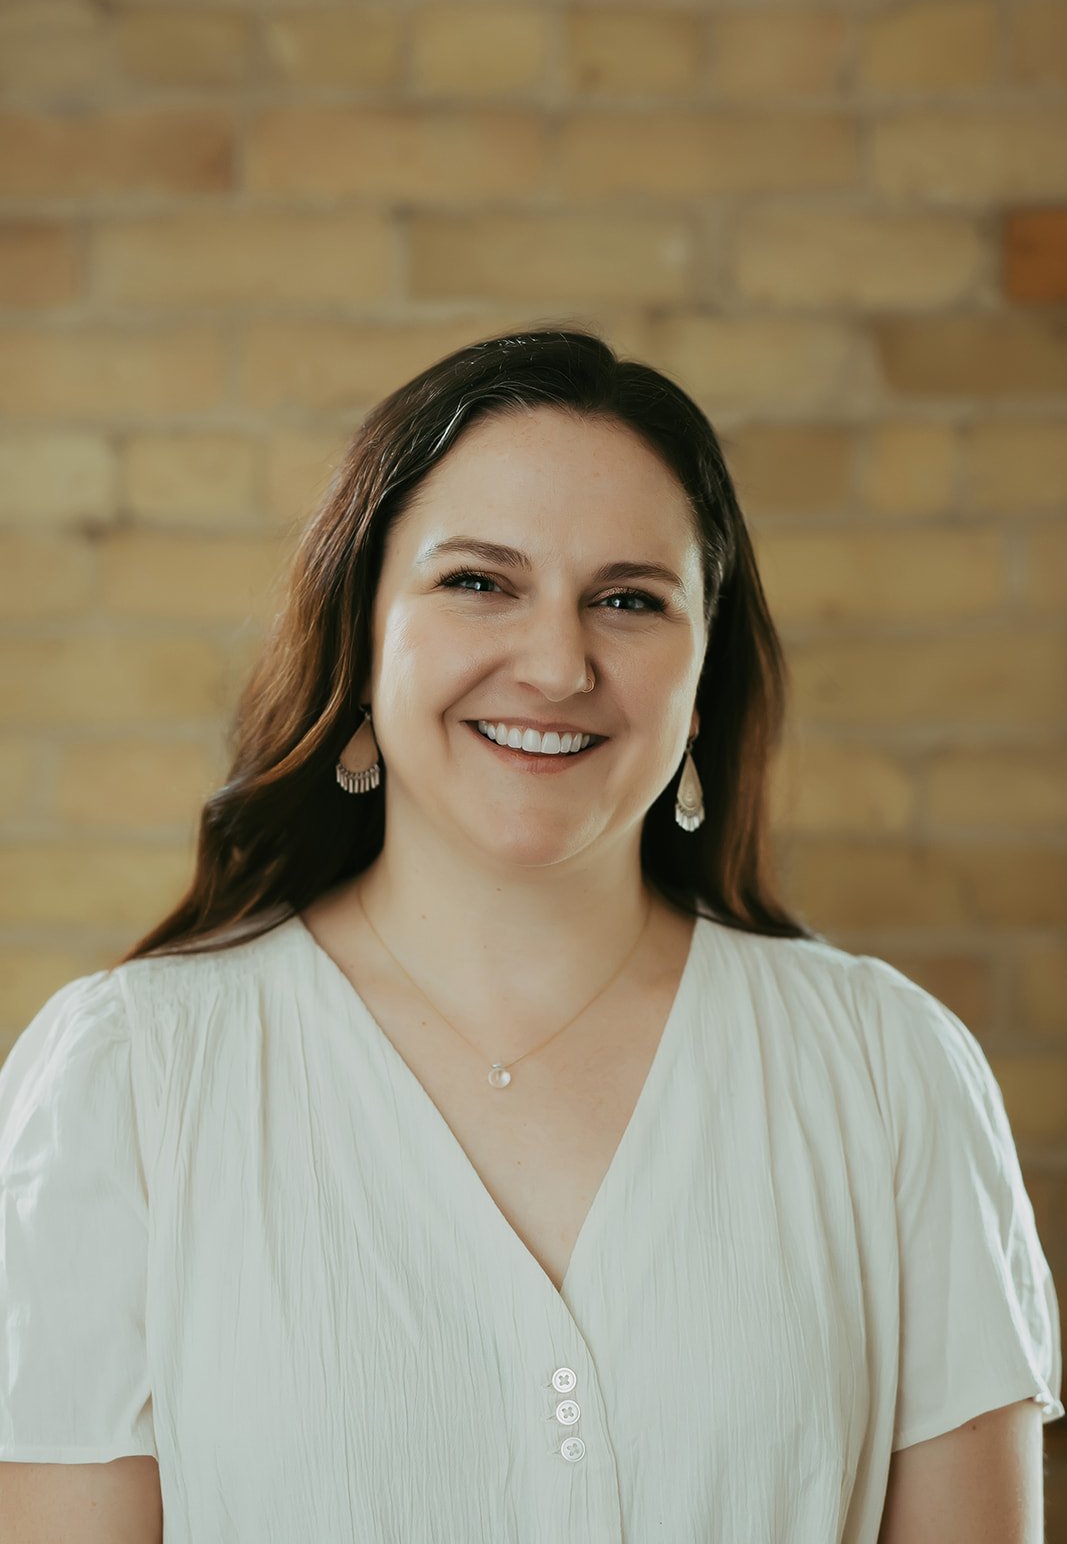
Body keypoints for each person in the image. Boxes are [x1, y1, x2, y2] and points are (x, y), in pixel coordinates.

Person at [0, 326, 1061, 1543]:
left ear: (703, 676)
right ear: (362, 636)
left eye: (627, 599)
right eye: (478, 583)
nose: (556, 663)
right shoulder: (126, 1086)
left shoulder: (889, 1073)